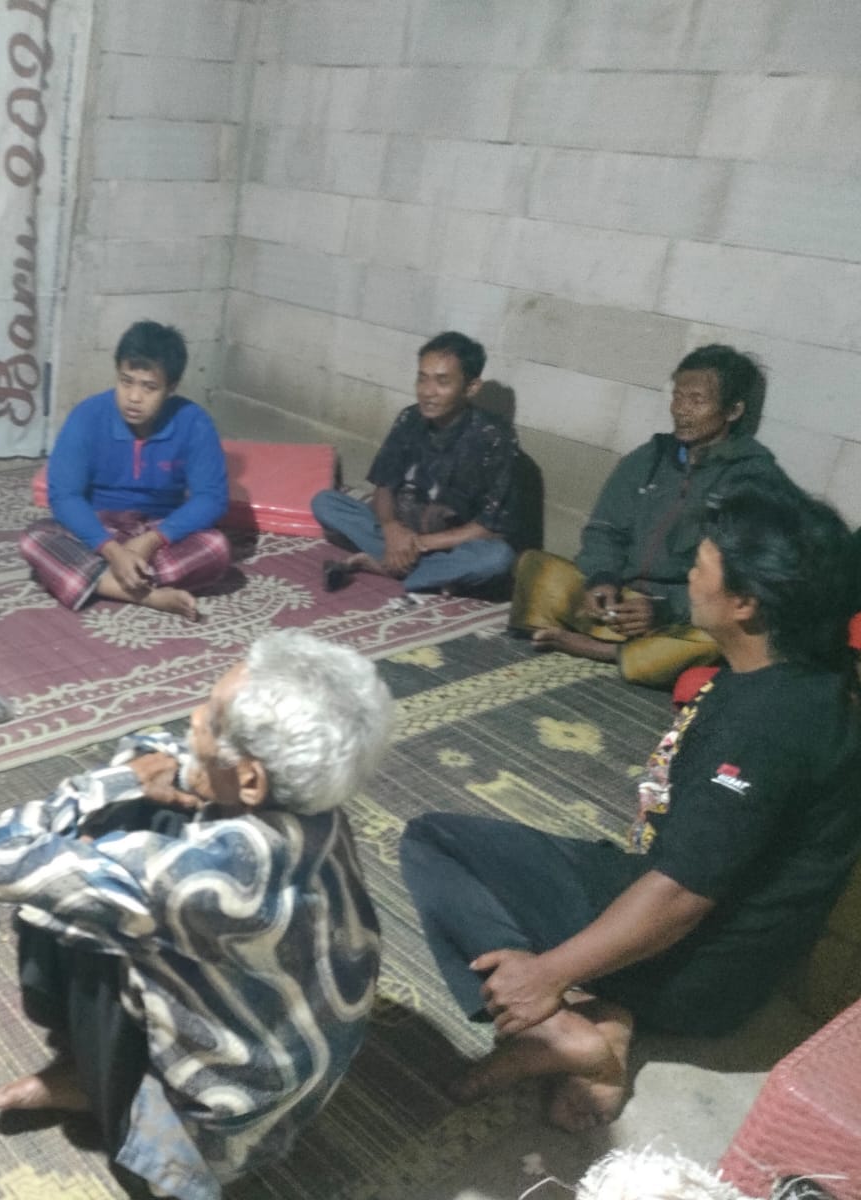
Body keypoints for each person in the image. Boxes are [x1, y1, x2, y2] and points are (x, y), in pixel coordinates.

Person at [401, 486, 861, 1134]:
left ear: (746, 603)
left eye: (701, 565)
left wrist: (549, 975)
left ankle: (561, 1028)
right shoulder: (797, 674)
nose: (689, 576)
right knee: (551, 863)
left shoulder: (770, 726)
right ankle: (610, 1015)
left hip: (696, 971)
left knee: (434, 841)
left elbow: (680, 896)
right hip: (708, 945)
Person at [0, 631, 392, 1199]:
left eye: (210, 718)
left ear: (251, 781)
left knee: (62, 898)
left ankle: (100, 1090)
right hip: (286, 1088)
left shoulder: (193, 877)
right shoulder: (322, 812)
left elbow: (0, 858)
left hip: (204, 1140)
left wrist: (119, 781)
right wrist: (169, 765)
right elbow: (159, 748)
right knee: (136, 830)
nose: (192, 717)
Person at [511, 344, 793, 689]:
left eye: (697, 400)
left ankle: (607, 651)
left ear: (733, 410)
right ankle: (626, 645)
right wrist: (602, 580)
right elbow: (603, 530)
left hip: (681, 615)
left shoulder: (754, 477)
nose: (681, 410)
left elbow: (743, 577)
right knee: (534, 566)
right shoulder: (648, 458)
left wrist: (664, 608)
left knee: (723, 634)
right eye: (678, 397)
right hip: (623, 601)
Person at [20, 321, 230, 621]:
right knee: (35, 539)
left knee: (216, 548)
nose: (134, 397)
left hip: (157, 532)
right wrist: (112, 551)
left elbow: (211, 498)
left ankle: (96, 580)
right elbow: (65, 495)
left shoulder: (194, 423)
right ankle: (150, 595)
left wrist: (151, 540)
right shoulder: (87, 416)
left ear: (171, 388)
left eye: (149, 387)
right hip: (97, 528)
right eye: (126, 381)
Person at [312, 330, 518, 595]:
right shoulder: (409, 418)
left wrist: (418, 544)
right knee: (325, 503)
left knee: (498, 558)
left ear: (471, 388)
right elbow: (384, 486)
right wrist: (391, 529)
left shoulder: (495, 437)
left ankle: (389, 565)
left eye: (442, 382)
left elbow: (490, 528)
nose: (427, 392)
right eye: (422, 379)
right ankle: (426, 573)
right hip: (400, 532)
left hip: (449, 544)